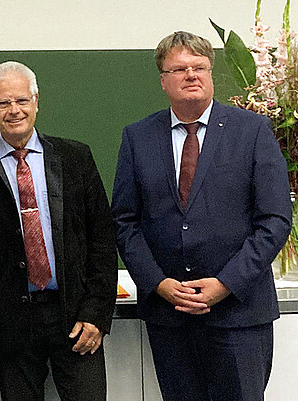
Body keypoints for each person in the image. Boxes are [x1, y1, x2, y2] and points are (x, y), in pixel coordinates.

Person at [112, 31, 291, 401]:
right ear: (163, 80)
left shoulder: (253, 131)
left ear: (210, 74)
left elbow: (274, 220)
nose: (191, 75)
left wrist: (224, 284)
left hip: (239, 313)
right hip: (170, 316)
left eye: (199, 67)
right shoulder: (138, 137)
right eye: (179, 69)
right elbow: (125, 222)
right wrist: (158, 283)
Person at [0, 61, 117, 401]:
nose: (14, 110)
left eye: (21, 100)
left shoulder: (76, 157)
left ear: (36, 101)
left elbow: (102, 238)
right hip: (10, 324)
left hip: (76, 318)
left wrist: (97, 314)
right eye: (3, 103)